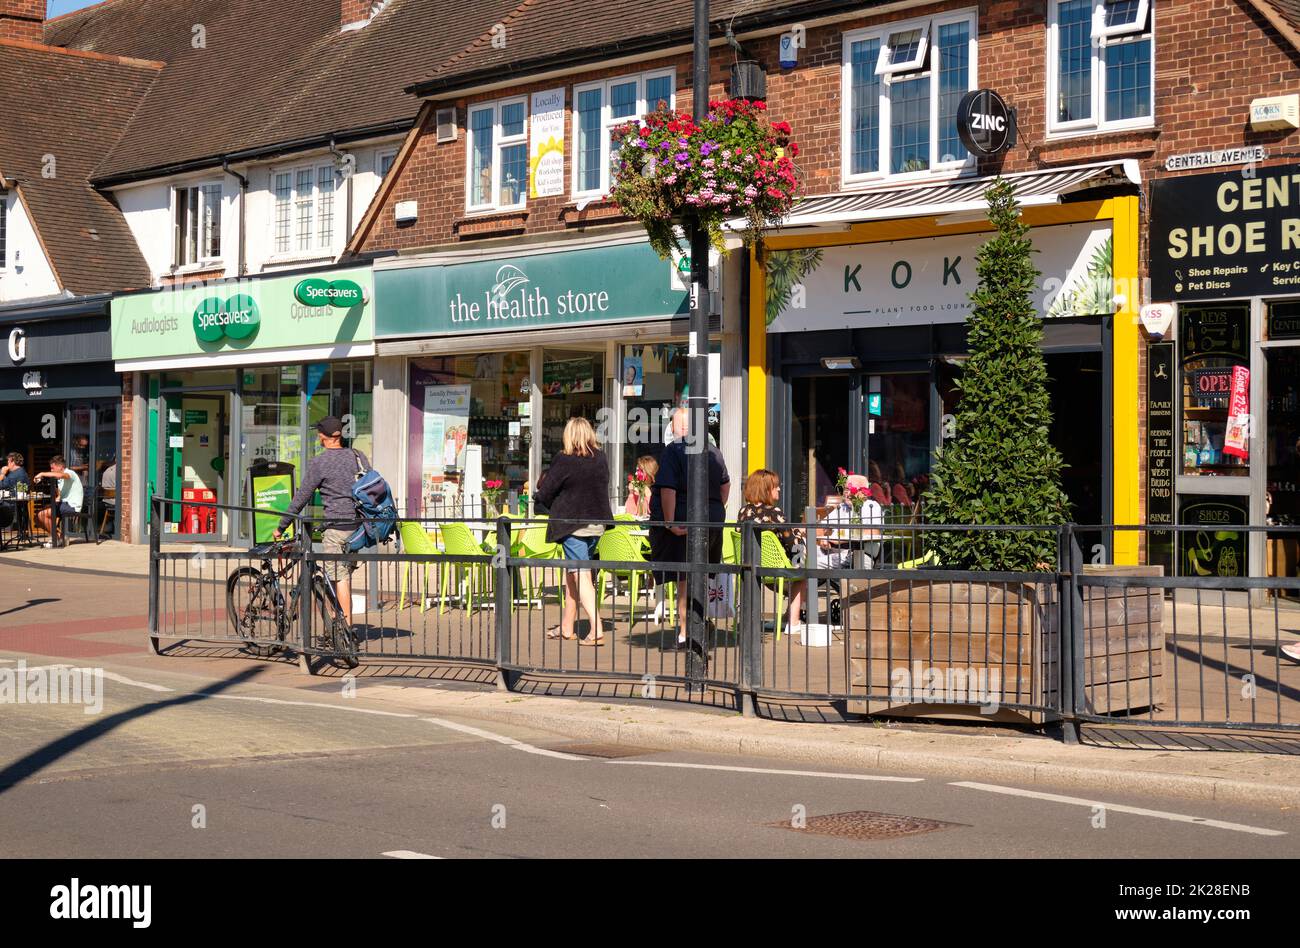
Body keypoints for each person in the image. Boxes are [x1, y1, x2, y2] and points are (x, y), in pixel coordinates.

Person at [273, 417, 367, 628]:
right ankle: (337, 627)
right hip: (358, 528)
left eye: (318, 433)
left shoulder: (320, 462)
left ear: (322, 436)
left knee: (339, 579)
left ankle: (346, 631)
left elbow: (301, 497)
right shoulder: (358, 456)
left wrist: (282, 526)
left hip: (336, 528)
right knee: (344, 577)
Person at [649, 406, 731, 649]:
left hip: (686, 521)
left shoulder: (673, 451)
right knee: (701, 574)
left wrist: (670, 521)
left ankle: (688, 633)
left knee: (686, 577)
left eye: (673, 425)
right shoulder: (714, 451)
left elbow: (668, 489)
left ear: (678, 428)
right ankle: (697, 624)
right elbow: (725, 487)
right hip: (712, 521)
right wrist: (714, 508)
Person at [534, 416, 611, 645]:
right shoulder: (601, 458)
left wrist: (539, 497)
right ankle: (567, 626)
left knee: (581, 574)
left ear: (568, 435)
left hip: (573, 525)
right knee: (574, 574)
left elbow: (546, 492)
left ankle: (596, 629)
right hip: (597, 525)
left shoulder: (564, 459)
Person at [738, 468, 806, 633]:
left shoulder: (743, 512)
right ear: (766, 489)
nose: (779, 489)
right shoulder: (775, 513)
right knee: (804, 575)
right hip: (775, 568)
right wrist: (802, 539)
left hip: (752, 566)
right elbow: (792, 544)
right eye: (776, 486)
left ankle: (786, 617)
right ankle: (794, 622)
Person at [816, 473, 883, 570]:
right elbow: (822, 526)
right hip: (839, 554)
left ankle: (861, 585)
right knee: (810, 559)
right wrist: (823, 538)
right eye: (845, 489)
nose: (845, 493)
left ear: (862, 492)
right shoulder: (842, 507)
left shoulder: (872, 506)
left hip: (863, 554)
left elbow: (874, 531)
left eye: (849, 489)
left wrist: (841, 538)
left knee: (812, 564)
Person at [33, 455, 83, 546]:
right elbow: (61, 495)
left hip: (72, 506)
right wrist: (56, 499)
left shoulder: (69, 473)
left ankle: (56, 539)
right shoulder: (59, 480)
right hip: (64, 504)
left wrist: (42, 473)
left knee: (42, 514)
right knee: (37, 517)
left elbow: (61, 475)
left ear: (61, 467)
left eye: (52, 468)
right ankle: (60, 536)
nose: (51, 470)